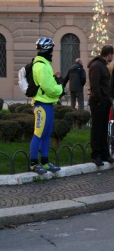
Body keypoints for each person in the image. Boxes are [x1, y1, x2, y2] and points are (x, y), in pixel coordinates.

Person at [29, 37, 64, 174]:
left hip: (47, 103)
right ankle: (33, 163)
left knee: (46, 134)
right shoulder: (41, 66)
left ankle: (44, 162)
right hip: (41, 104)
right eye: (51, 49)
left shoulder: (45, 64)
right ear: (48, 49)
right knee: (38, 134)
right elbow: (49, 87)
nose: (52, 52)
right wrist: (61, 90)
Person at [88, 44, 114, 166]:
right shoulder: (97, 66)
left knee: (104, 129)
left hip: (104, 100)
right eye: (112, 55)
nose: (112, 58)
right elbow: (95, 85)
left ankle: (104, 154)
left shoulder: (102, 65)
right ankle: (96, 155)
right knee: (97, 129)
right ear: (109, 54)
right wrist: (99, 100)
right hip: (98, 102)